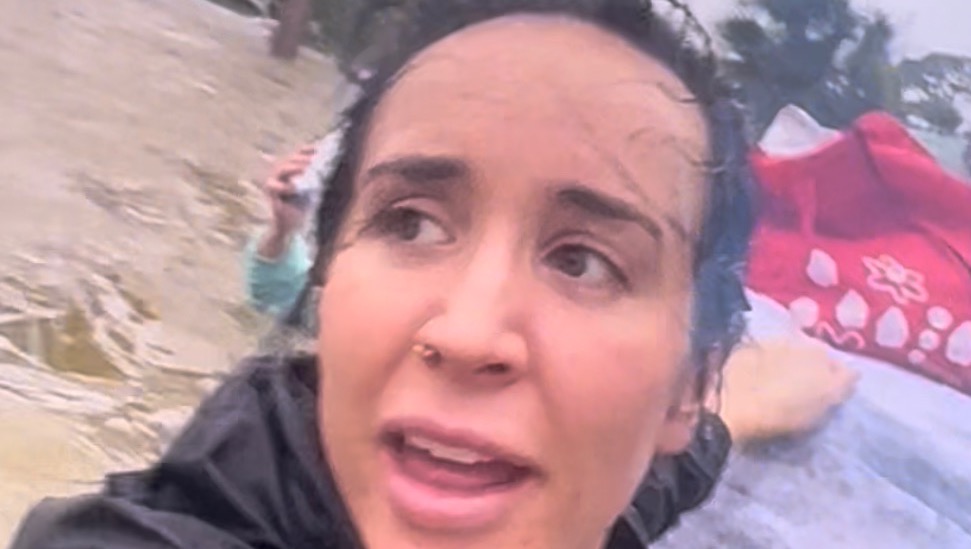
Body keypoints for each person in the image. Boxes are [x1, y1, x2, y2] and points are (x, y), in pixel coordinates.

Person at [12, 2, 854, 548]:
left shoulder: (597, 477)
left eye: (583, 261)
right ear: (327, 288)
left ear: (686, 387)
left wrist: (734, 414)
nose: (466, 332)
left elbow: (636, 490)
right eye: (409, 223)